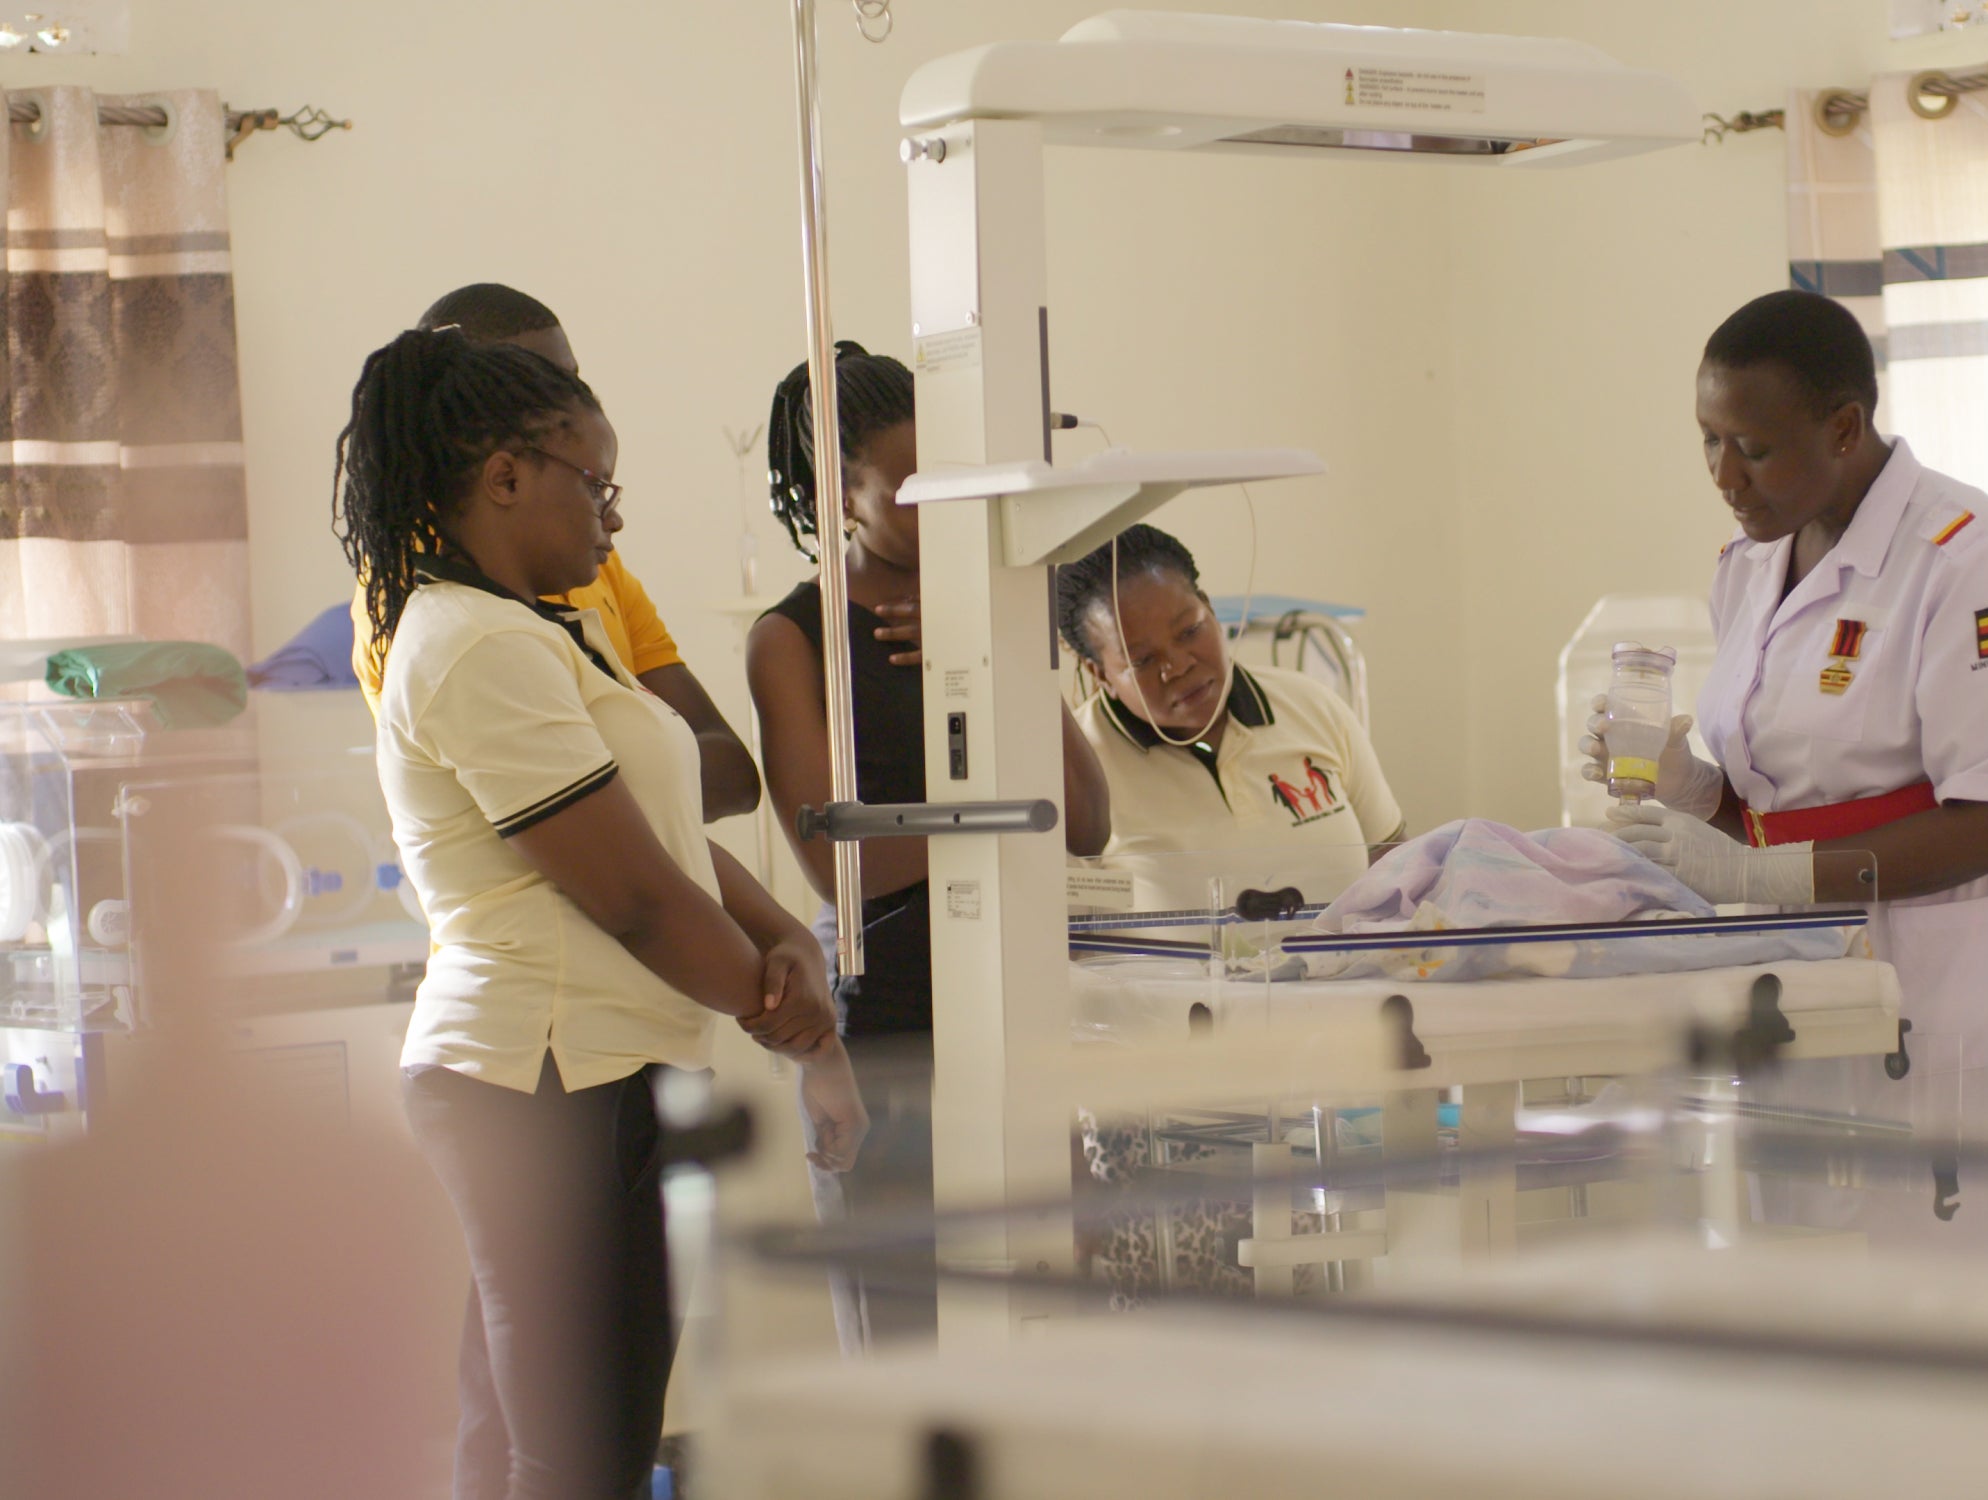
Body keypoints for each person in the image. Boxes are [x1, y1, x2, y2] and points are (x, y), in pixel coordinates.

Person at [337, 326, 866, 1499]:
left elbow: (660, 833)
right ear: (506, 475)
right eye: (598, 483)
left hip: (585, 1072)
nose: (611, 518)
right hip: (541, 1076)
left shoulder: (541, 632)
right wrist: (795, 1026)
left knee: (536, 1438)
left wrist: (784, 934)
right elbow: (627, 896)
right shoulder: (469, 644)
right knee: (581, 1447)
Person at [1583, 289, 1988, 1260]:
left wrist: (1762, 878)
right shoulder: (1749, 563)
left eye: (1756, 448)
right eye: (1708, 440)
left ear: (1846, 427)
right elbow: (1773, 803)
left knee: (1953, 1264)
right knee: (1818, 1255)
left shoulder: (1967, 556)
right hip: (1806, 963)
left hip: (1945, 957)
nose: (1726, 475)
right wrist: (1690, 788)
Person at [745, 340, 1111, 1349]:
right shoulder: (794, 640)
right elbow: (844, 868)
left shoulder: (984, 619)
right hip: (889, 1029)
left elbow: (1085, 820)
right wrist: (1000, 820)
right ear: (836, 494)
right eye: (904, 488)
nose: (934, 506)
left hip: (1020, 1015)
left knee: (1043, 1341)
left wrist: (1004, 661)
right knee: (906, 1363)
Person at [350, 283, 761, 824]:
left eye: (572, 380)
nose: (573, 400)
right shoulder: (416, 610)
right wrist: (650, 761)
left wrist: (624, 770)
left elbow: (734, 774)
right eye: (537, 384)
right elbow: (557, 816)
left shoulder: (597, 566)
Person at [1056, 523, 1404, 911]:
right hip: (1161, 974)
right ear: (1099, 672)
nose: (1179, 666)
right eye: (1142, 659)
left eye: (1189, 631)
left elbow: (1396, 863)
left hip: (1347, 971)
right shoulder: (1081, 777)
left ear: (1209, 608)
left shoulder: (1312, 708)